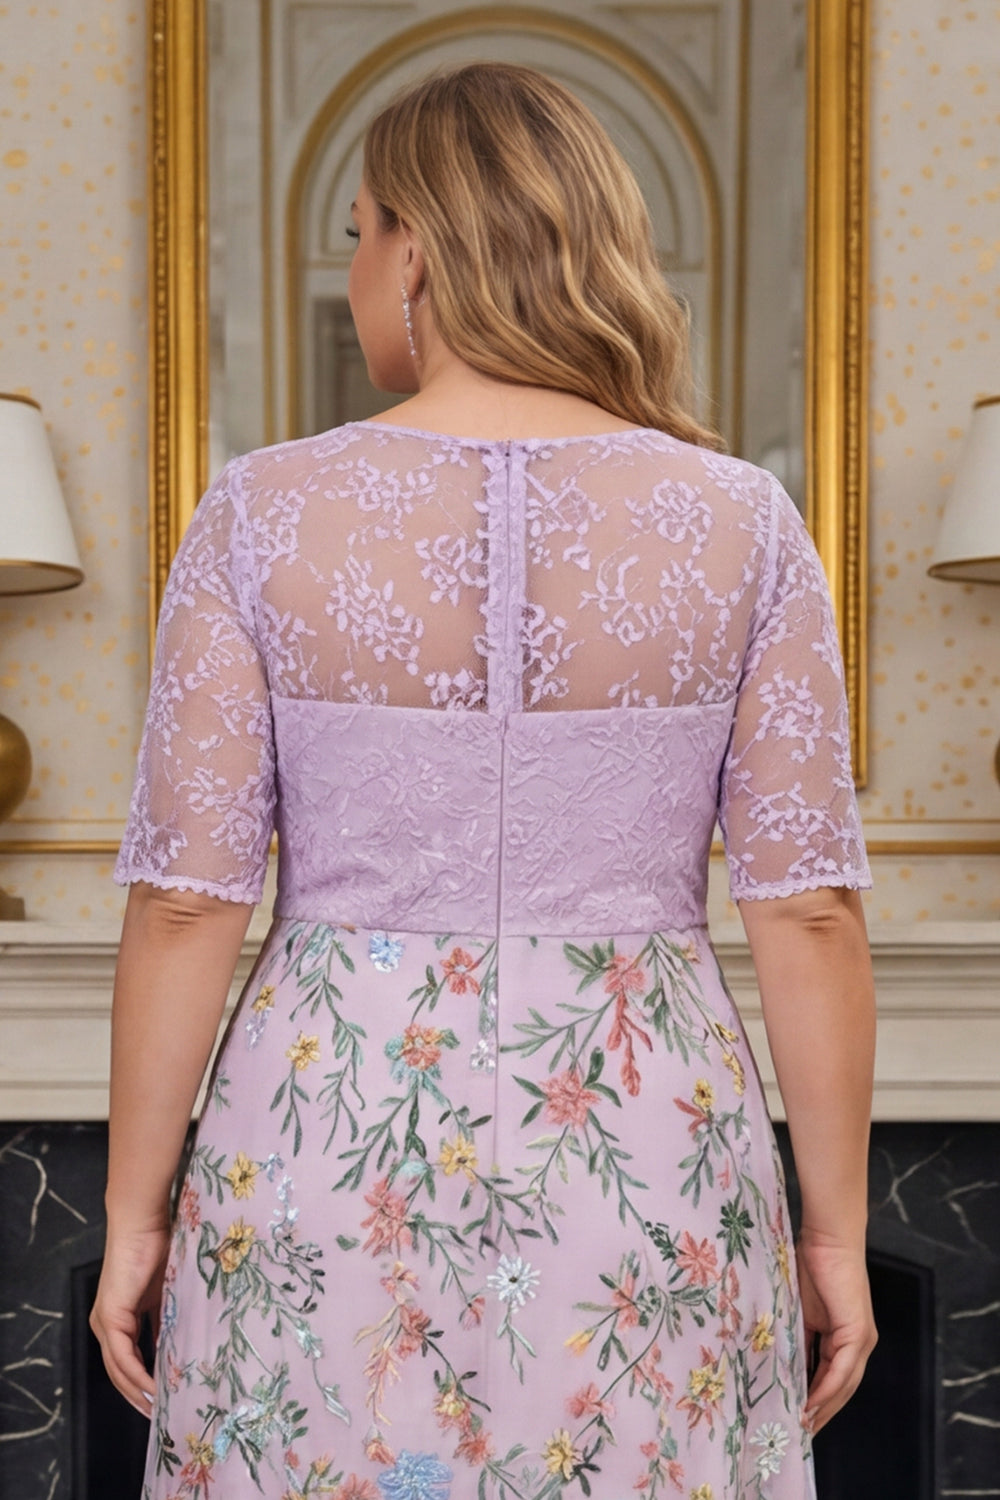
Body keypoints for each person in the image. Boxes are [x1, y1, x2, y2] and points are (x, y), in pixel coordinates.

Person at [91, 62, 877, 1500]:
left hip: (327, 1134)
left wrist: (136, 1214)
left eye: (358, 232)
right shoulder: (746, 522)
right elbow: (809, 909)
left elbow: (188, 902)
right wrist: (831, 1234)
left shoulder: (260, 512)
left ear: (417, 254)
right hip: (643, 1140)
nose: (354, 270)